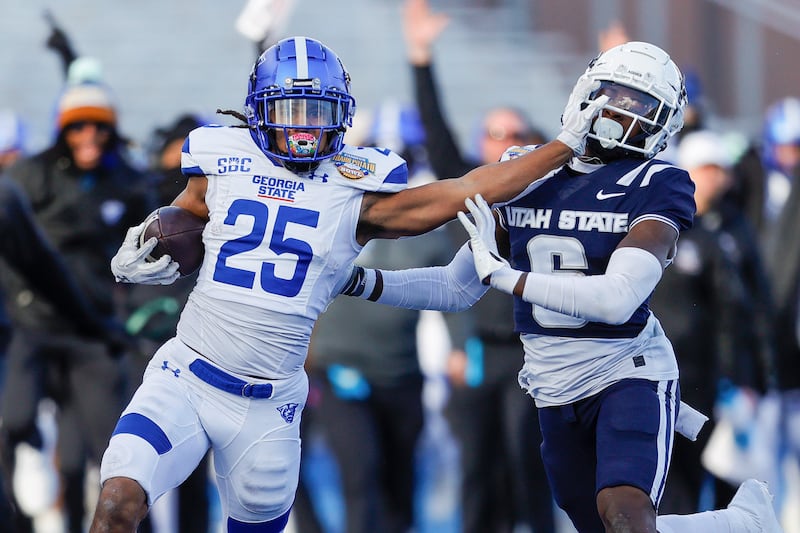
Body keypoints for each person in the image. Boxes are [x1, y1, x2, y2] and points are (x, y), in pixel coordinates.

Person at [89, 35, 603, 531]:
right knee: (116, 502)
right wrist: (145, 245)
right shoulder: (221, 159)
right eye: (292, 110)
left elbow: (465, 190)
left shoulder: (355, 193)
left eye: (319, 111)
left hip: (270, 405)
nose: (306, 127)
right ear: (260, 109)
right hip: (187, 376)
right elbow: (182, 215)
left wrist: (564, 146)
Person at [341, 41, 783, 533]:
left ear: (662, 125)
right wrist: (358, 279)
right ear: (585, 92)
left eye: (640, 107)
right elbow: (455, 287)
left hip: (627, 371)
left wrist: (507, 277)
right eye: (615, 94)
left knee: (625, 517)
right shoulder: (527, 171)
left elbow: (617, 300)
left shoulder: (659, 181)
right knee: (601, 527)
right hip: (552, 386)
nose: (620, 112)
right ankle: (735, 525)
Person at [402, 1, 555, 530]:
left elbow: (587, 154)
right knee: (477, 471)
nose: (505, 143)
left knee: (531, 467)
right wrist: (420, 57)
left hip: (534, 350)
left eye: (515, 135)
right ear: (479, 143)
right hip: (478, 351)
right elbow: (436, 133)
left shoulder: (549, 196)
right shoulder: (467, 193)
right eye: (495, 134)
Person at [307, 102, 469, 533]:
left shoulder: (429, 226)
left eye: (404, 155)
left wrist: (457, 347)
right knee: (360, 476)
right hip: (339, 369)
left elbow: (452, 287)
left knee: (401, 486)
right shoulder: (333, 210)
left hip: (400, 372)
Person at [0, 79, 153, 532]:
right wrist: (19, 298)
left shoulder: (126, 182)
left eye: (99, 127)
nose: (89, 136)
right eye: (77, 126)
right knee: (15, 417)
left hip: (92, 328)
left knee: (109, 447)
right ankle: (28, 471)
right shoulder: (28, 177)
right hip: (34, 321)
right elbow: (17, 252)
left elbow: (155, 243)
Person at [649, 130, 776, 514]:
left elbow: (735, 312)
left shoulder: (727, 231)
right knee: (669, 479)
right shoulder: (655, 226)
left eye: (720, 170)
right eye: (706, 169)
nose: (715, 178)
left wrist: (742, 377)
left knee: (723, 479)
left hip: (706, 379)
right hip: (657, 372)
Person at [0, 174, 127, 531]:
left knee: (102, 452)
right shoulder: (24, 180)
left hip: (70, 335)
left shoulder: (6, 196)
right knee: (18, 422)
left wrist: (97, 325)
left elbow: (44, 268)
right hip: (31, 331)